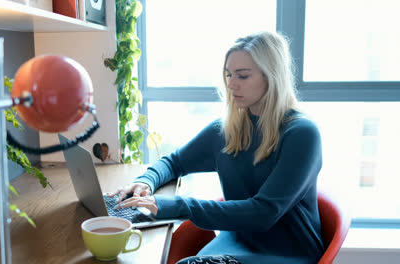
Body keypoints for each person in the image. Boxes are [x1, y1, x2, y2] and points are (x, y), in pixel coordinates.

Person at [108, 31, 325, 264]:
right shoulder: (228, 129)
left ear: (271, 76)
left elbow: (263, 213)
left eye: (242, 76)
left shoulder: (302, 134)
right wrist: (146, 181)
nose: (231, 84)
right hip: (239, 239)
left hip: (288, 252)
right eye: (229, 75)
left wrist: (174, 206)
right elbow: (175, 162)